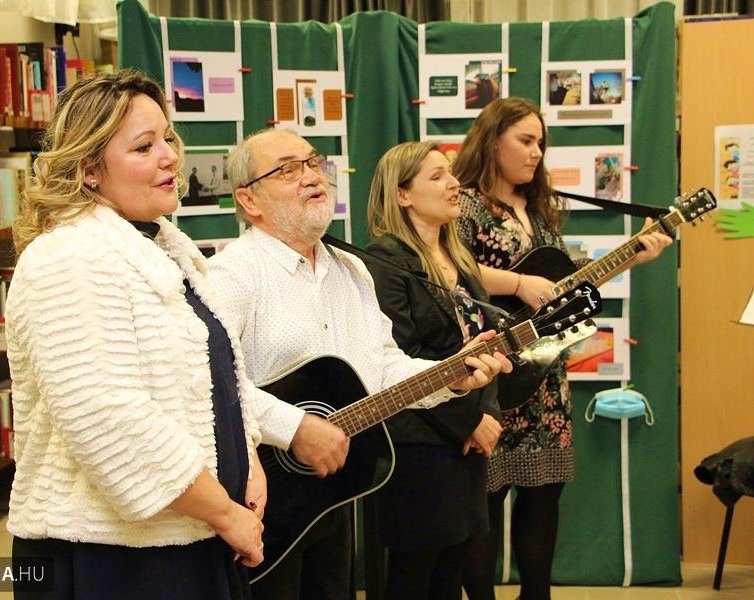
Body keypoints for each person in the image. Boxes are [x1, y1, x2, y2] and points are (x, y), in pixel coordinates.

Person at [207, 128, 512, 600]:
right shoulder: (230, 275)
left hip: (331, 499)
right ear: (249, 200)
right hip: (260, 502)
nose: (312, 176)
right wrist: (294, 428)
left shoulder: (352, 271)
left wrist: (451, 376)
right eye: (288, 170)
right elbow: (208, 382)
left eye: (314, 162)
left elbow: (383, 366)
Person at [6, 69, 266, 600]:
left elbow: (216, 382)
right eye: (144, 147)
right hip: (113, 558)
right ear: (89, 169)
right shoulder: (68, 257)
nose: (170, 156)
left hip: (195, 531)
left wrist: (250, 460)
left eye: (167, 138)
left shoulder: (166, 247)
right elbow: (106, 418)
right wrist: (225, 512)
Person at [452, 97, 673, 600]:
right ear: (492, 141)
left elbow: (561, 288)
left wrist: (634, 257)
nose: (537, 152)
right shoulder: (465, 204)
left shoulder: (539, 209)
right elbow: (452, 268)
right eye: (526, 140)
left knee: (543, 496)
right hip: (491, 371)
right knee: (484, 502)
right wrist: (517, 282)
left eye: (541, 142)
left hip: (546, 375)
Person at [363, 141, 504, 600]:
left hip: (467, 440)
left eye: (452, 173)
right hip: (419, 443)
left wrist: (488, 414)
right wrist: (469, 421)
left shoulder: (459, 257)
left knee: (451, 571)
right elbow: (398, 358)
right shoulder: (384, 261)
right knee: (414, 575)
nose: (454, 184)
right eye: (437, 176)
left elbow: (485, 344)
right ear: (402, 194)